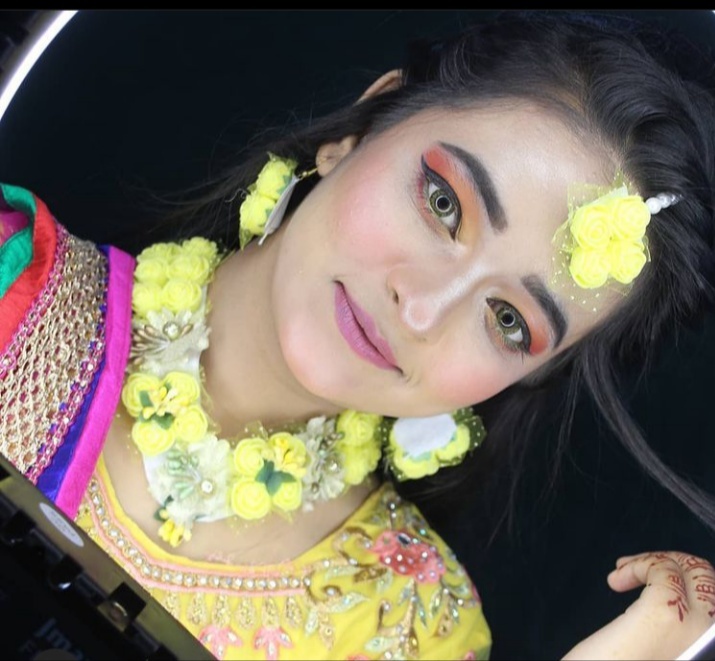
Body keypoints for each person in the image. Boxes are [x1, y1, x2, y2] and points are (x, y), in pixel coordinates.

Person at [1, 9, 715, 660]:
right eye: (443, 204)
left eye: (507, 321)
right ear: (360, 129)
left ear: (529, 375)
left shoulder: (410, 627)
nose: (422, 309)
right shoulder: (13, 282)